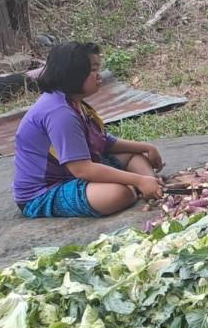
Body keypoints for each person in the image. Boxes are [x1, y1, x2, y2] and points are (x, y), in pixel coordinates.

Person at [11, 42, 165, 218]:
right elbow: (82, 170)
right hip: (45, 192)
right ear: (73, 74)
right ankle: (142, 186)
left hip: (72, 171)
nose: (99, 76)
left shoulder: (73, 102)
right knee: (121, 193)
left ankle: (153, 186)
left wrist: (147, 147)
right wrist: (138, 180)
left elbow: (103, 141)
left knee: (134, 156)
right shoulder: (59, 113)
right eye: (93, 70)